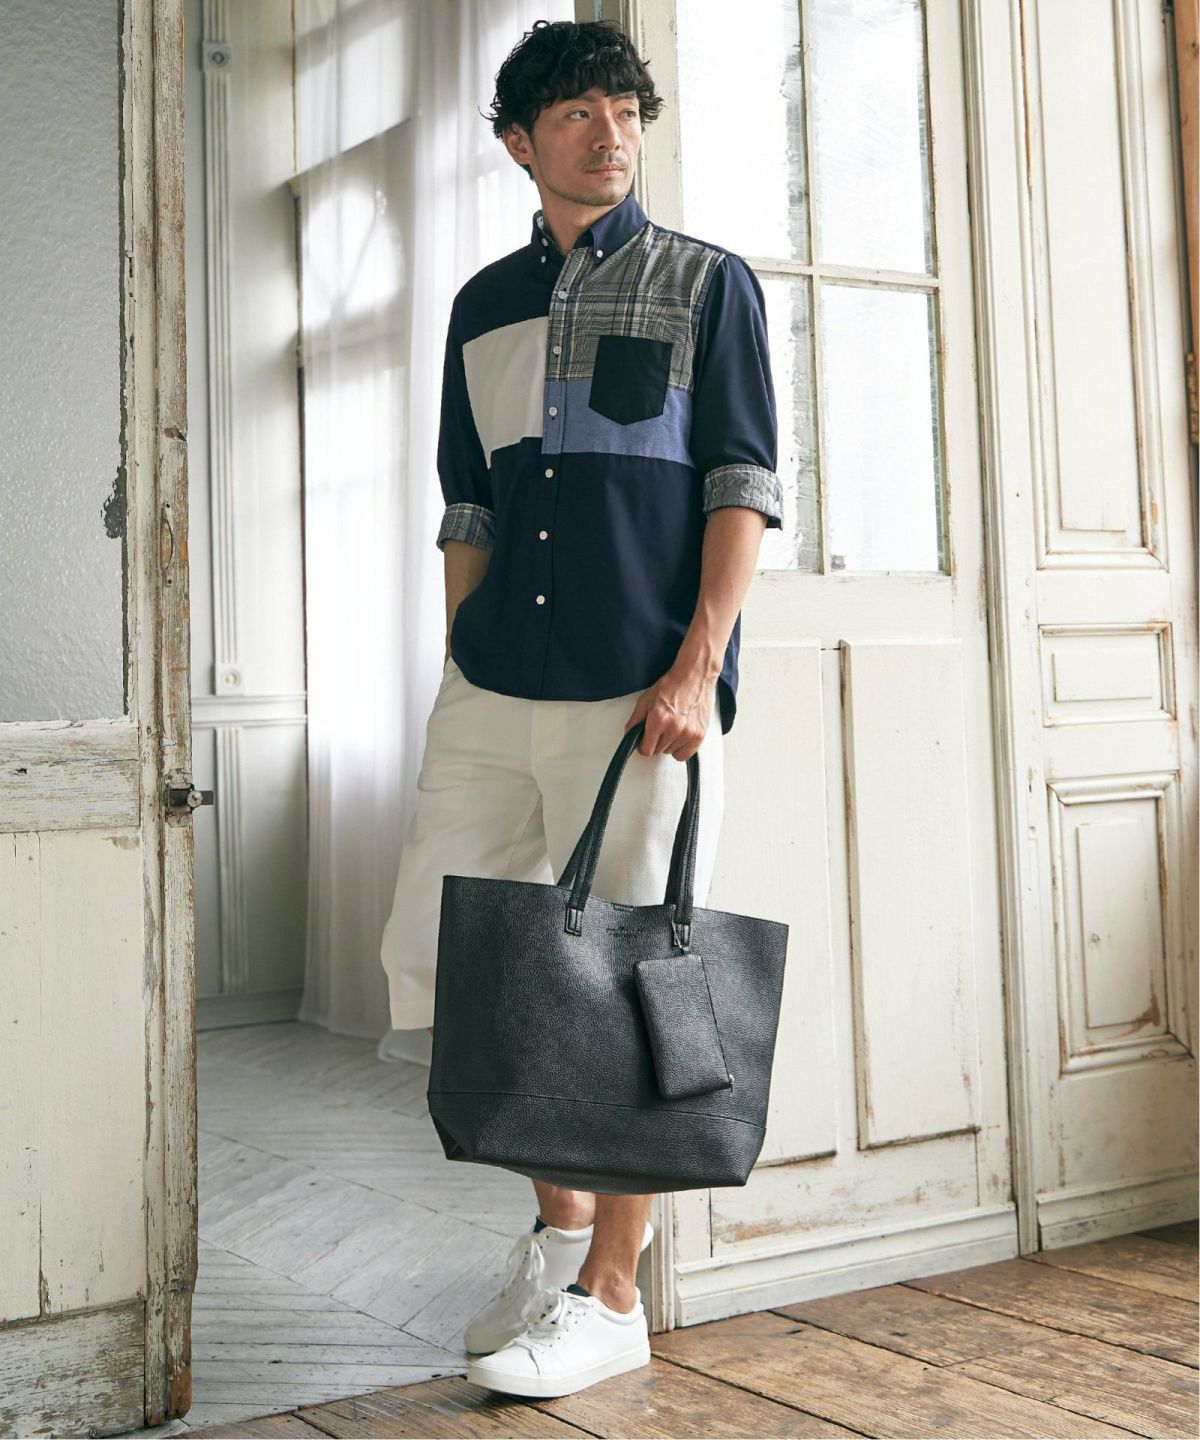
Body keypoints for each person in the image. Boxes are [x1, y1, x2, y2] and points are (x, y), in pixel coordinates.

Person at [379, 17, 781, 1399]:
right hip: (494, 685)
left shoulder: (707, 284)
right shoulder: (480, 306)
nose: (610, 134)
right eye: (576, 114)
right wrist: (459, 655)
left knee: (625, 984)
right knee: (472, 968)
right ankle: (558, 1243)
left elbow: (741, 483)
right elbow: (470, 503)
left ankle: (615, 1297)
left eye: (625, 109)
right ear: (519, 143)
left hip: (638, 691)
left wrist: (698, 665)